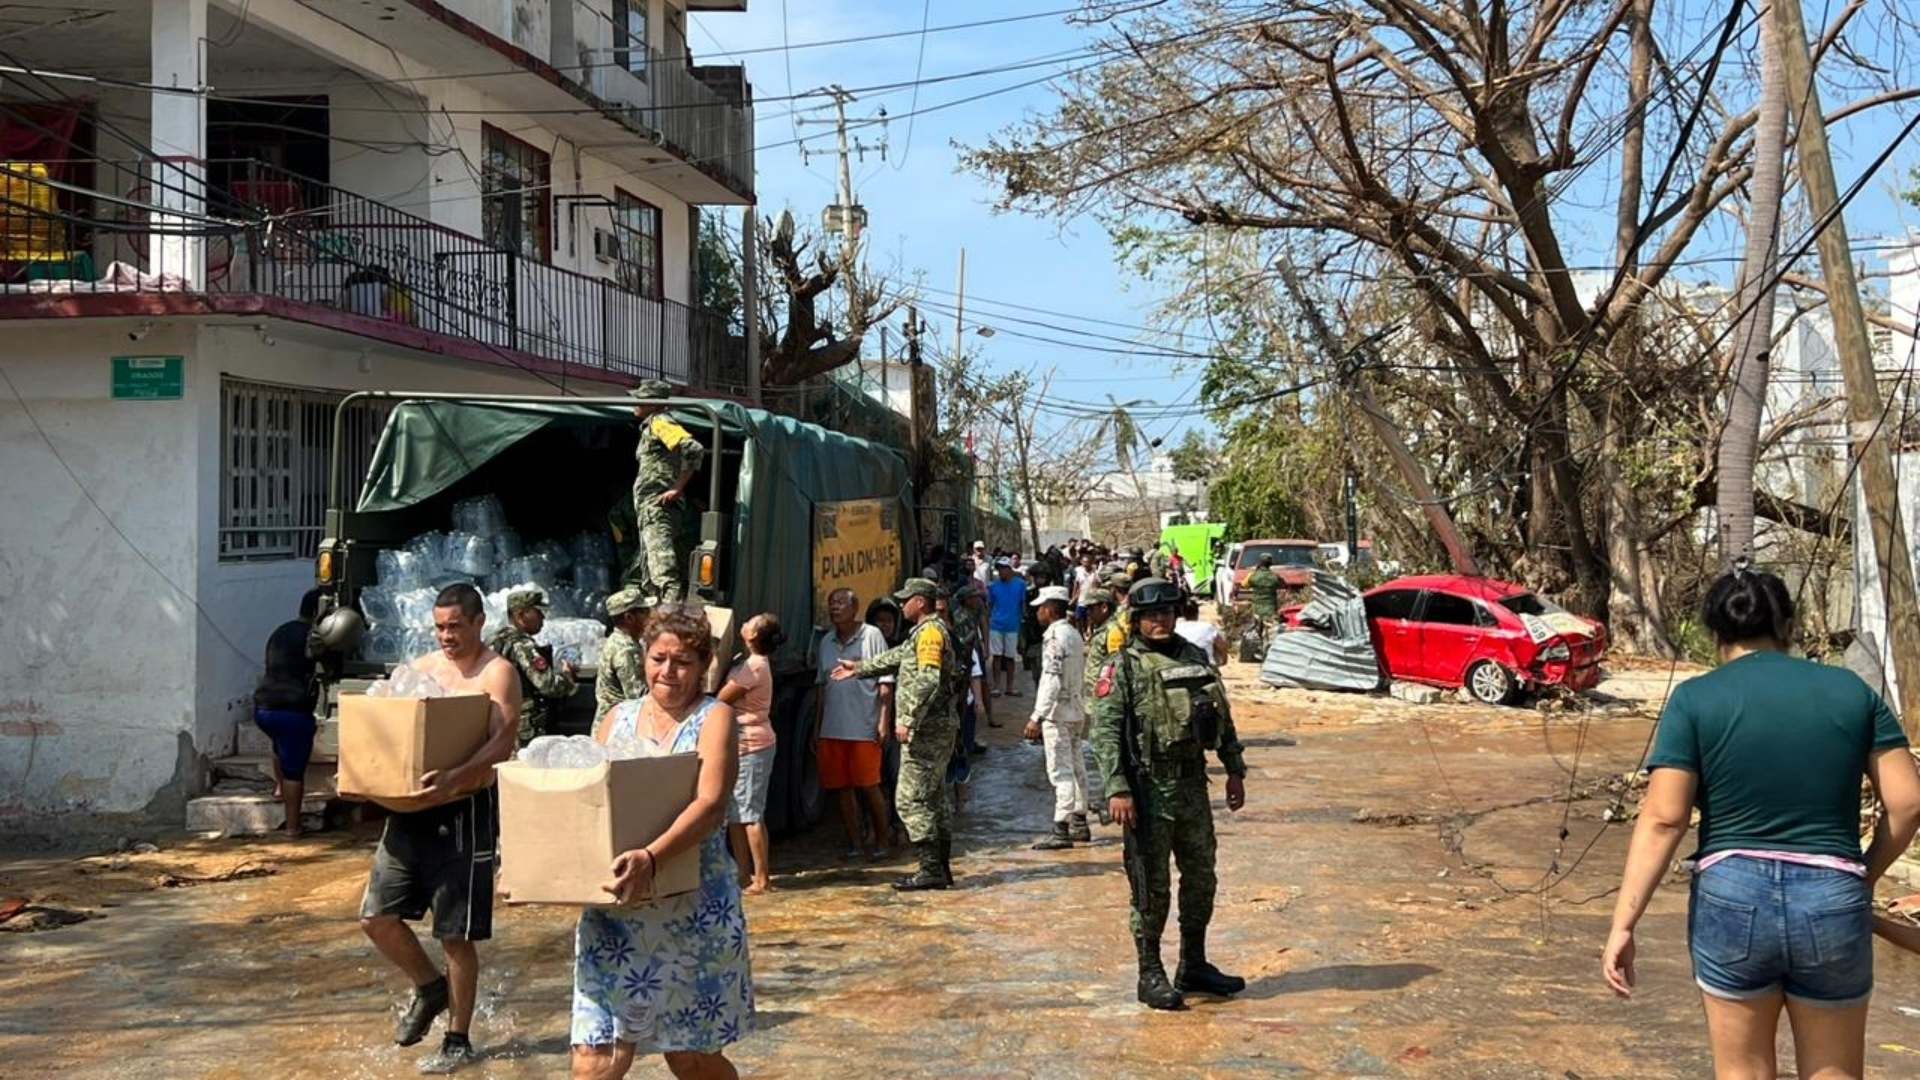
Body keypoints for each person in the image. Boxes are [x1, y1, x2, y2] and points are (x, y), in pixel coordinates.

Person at [1602, 566, 1920, 1078]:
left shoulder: (1694, 700)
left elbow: (1665, 818)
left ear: (1714, 634)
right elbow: (1908, 804)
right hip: (1832, 895)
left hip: (1733, 896)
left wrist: (1623, 924)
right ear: (1789, 627)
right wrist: (1864, 874)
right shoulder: (1850, 691)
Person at [573, 606, 753, 1079]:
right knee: (596, 1057)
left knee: (690, 1058)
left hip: (692, 907)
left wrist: (652, 857)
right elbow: (591, 802)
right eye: (658, 658)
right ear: (642, 658)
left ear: (704, 665)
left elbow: (711, 804)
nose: (667, 671)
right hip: (617, 909)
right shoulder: (617, 718)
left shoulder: (716, 719)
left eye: (682, 662)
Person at [360, 583, 522, 1072]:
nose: (447, 636)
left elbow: (505, 740)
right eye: (440, 627)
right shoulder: (421, 672)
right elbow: (386, 727)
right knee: (376, 917)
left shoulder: (498, 673)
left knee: (456, 933)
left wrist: (457, 776)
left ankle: (458, 1036)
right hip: (410, 811)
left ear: (478, 623)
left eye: (456, 626)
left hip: (464, 811)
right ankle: (430, 989)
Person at [1090, 577, 1249, 1011]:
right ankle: (1150, 973)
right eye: (1150, 615)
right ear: (1137, 620)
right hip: (1146, 791)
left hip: (1192, 786)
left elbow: (1222, 717)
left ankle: (1193, 964)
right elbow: (1104, 733)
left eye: (1166, 613)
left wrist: (1234, 770)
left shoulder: (1194, 657)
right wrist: (1117, 788)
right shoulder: (1120, 667)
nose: (1160, 621)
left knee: (1201, 878)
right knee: (1150, 887)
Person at [833, 578, 960, 891]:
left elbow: (928, 680)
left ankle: (931, 870)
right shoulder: (923, 633)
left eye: (907, 600)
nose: (902, 606)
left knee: (910, 800)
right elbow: (898, 656)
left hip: (927, 730)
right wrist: (859, 668)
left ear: (920, 602)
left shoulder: (930, 632)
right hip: (936, 727)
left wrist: (907, 719)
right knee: (933, 798)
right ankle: (939, 868)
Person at [814, 589, 898, 860]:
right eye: (831, 604)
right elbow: (821, 688)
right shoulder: (826, 641)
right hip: (833, 727)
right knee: (842, 789)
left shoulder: (872, 636)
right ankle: (855, 843)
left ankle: (883, 841)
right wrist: (817, 728)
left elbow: (886, 684)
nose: (834, 608)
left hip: (864, 725)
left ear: (855, 607)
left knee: (870, 786)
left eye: (840, 603)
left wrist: (883, 722)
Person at [625, 380, 705, 602]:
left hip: (659, 506)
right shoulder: (651, 425)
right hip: (651, 507)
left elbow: (693, 449)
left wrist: (677, 488)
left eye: (640, 399)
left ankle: (669, 626)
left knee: (664, 575)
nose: (635, 403)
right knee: (651, 574)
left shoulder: (660, 422)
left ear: (653, 404)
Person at [253, 587, 322, 838]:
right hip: (292, 710)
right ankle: (292, 827)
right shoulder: (313, 639)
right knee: (294, 769)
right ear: (318, 612)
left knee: (278, 746)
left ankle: (279, 790)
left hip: (264, 707)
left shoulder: (281, 630)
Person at [720, 613, 781, 895]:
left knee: (750, 814)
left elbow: (722, 698)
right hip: (740, 745)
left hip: (753, 746)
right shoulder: (744, 662)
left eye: (749, 623)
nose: (743, 624)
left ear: (754, 636)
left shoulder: (754, 667)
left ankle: (762, 878)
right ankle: (743, 874)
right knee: (736, 813)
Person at [1026, 585, 1091, 849]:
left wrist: (1037, 716)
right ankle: (1080, 820)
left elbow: (1051, 680)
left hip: (1058, 713)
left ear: (1050, 610)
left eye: (1040, 608)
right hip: (1076, 710)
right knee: (1077, 766)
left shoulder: (1054, 638)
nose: (1037, 613)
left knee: (1060, 770)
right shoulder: (1074, 634)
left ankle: (1061, 828)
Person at [486, 588, 577, 746]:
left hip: (496, 720)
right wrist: (567, 677)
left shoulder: (492, 640)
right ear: (521, 615)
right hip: (522, 728)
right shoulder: (522, 644)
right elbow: (548, 684)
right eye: (537, 612)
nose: (542, 617)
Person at [595, 589, 653, 722]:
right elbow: (638, 699)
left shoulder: (617, 640)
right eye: (644, 612)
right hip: (617, 729)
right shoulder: (626, 650)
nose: (650, 615)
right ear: (629, 618)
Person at [987, 558, 1027, 697]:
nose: (1001, 571)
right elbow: (990, 606)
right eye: (999, 568)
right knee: (996, 657)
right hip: (996, 625)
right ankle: (997, 686)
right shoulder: (993, 587)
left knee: (1010, 657)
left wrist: (1022, 624)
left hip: (1013, 626)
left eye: (1004, 568)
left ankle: (1010, 687)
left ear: (1010, 569)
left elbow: (1023, 605)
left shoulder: (1020, 585)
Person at [1174, 597, 1228, 666]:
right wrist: (1224, 661)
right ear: (1197, 612)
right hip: (1205, 667)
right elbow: (1222, 645)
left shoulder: (1176, 628)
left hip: (1183, 667)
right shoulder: (1207, 627)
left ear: (1183, 613)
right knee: (1214, 640)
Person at [1244, 555, 1281, 625]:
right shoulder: (1275, 576)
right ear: (1270, 564)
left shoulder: (1253, 575)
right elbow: (1283, 585)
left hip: (1257, 609)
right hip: (1271, 609)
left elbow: (1244, 585)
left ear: (1260, 563)